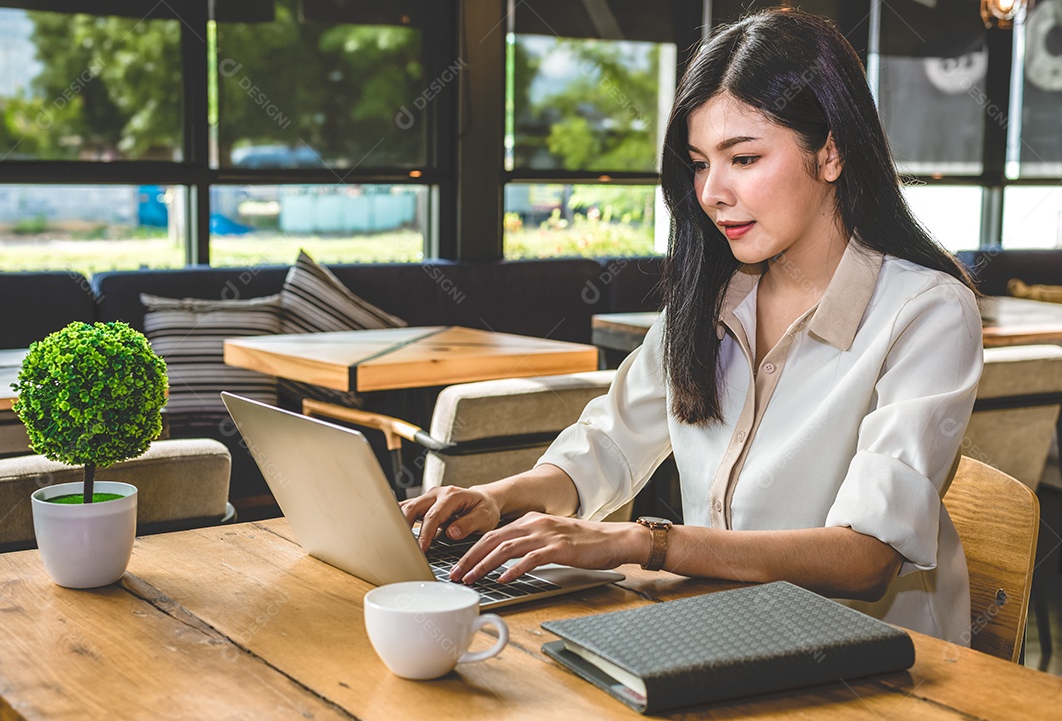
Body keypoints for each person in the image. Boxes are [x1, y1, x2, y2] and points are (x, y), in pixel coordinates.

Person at [402, 8, 982, 644]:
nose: (711, 192)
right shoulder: (707, 297)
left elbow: (867, 557)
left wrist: (645, 542)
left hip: (877, 666)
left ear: (832, 150)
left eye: (744, 157)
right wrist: (502, 497)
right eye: (700, 163)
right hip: (721, 631)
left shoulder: (926, 310)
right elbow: (611, 444)